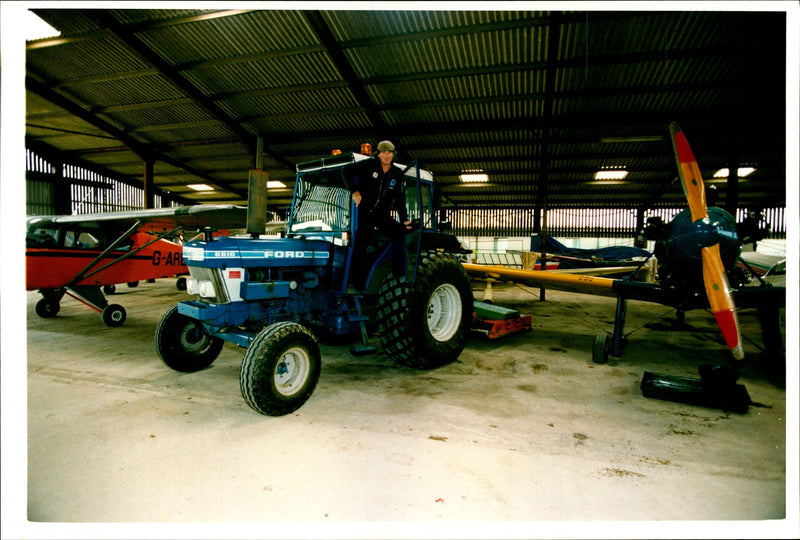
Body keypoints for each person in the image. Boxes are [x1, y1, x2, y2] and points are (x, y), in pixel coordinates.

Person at [348, 140, 412, 289]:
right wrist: (355, 191)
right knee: (360, 239)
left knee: (398, 231)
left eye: (390, 152)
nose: (387, 155)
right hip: (366, 212)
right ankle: (356, 281)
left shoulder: (396, 173)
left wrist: (404, 220)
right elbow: (346, 171)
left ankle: (399, 274)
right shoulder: (368, 165)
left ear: (393, 155)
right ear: (379, 154)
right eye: (384, 152)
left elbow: (400, 198)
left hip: (381, 214)